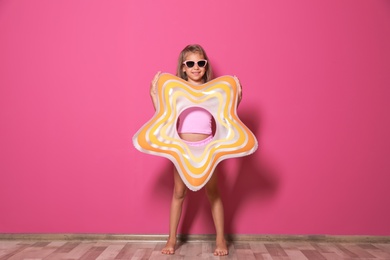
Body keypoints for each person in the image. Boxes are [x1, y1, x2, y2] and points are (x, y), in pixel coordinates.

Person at [149, 44, 242, 256]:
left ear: (206, 65)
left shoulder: (213, 92)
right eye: (190, 63)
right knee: (179, 193)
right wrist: (154, 94)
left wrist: (237, 97)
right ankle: (171, 238)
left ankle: (220, 239)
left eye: (200, 63)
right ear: (183, 67)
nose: (196, 67)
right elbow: (162, 115)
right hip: (182, 149)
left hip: (208, 148)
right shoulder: (177, 91)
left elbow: (229, 116)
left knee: (213, 193)